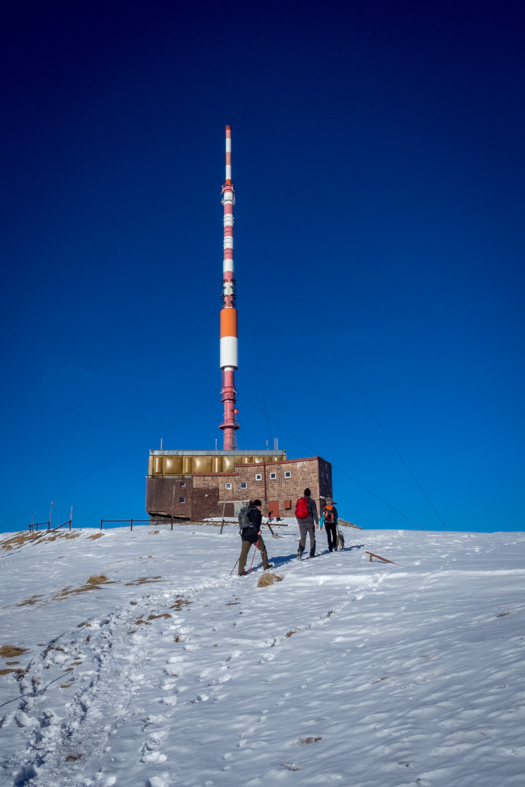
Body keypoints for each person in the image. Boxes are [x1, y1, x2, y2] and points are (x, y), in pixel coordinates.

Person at [238, 499, 273, 576]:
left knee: (244, 552)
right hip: (253, 535)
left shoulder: (247, 511)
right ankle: (266, 565)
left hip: (244, 534)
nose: (260, 507)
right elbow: (254, 523)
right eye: (260, 506)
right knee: (262, 548)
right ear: (258, 506)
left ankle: (241, 570)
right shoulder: (256, 512)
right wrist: (258, 531)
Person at [295, 487, 319, 559]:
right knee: (312, 537)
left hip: (301, 522)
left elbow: (296, 512)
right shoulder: (312, 501)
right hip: (310, 522)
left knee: (303, 538)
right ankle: (312, 553)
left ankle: (300, 551)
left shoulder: (299, 501)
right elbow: (314, 512)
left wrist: (299, 520)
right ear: (310, 494)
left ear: (304, 494)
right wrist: (317, 522)